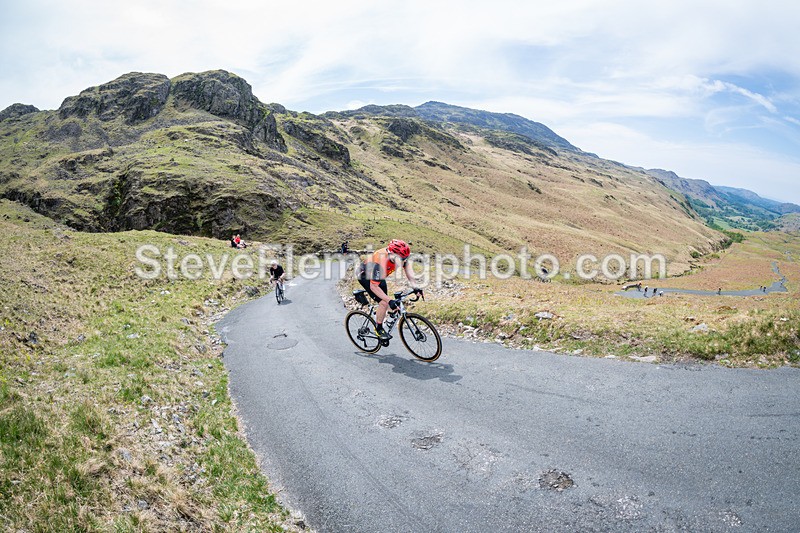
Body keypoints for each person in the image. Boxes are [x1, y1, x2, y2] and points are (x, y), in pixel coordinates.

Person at [357, 239, 421, 341]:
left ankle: (387, 318)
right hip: (365, 276)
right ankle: (379, 328)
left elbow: (408, 270)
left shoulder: (400, 257)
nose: (404, 261)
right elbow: (374, 287)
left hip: (378, 276)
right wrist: (389, 301)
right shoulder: (380, 262)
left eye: (405, 258)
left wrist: (416, 287)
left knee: (392, 305)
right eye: (401, 258)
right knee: (384, 302)